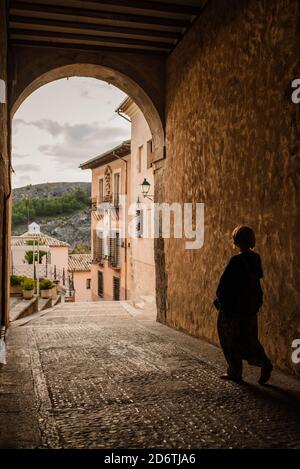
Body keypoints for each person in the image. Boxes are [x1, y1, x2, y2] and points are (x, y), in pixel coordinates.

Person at [214, 225, 273, 384]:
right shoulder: (256, 258)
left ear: (237, 241)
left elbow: (225, 285)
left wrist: (219, 302)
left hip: (233, 308)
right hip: (250, 307)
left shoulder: (236, 260)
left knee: (229, 339)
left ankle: (235, 372)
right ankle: (264, 362)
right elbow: (256, 279)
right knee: (250, 338)